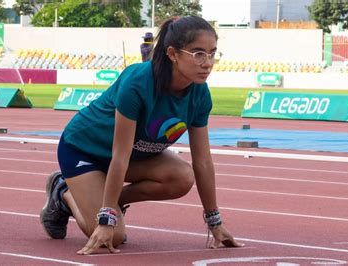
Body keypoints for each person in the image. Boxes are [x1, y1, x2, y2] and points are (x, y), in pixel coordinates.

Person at [40, 15, 243, 255]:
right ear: (172, 54)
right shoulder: (138, 82)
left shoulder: (200, 94)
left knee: (181, 177)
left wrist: (215, 222)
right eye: (198, 53)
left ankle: (107, 201)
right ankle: (63, 193)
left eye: (212, 53)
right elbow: (120, 154)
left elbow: (203, 161)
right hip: (84, 149)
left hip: (129, 157)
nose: (207, 62)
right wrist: (106, 219)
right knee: (114, 235)